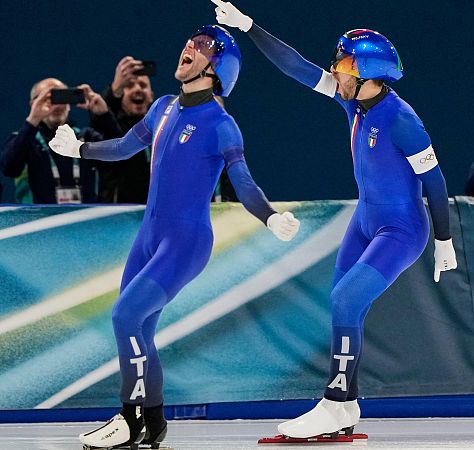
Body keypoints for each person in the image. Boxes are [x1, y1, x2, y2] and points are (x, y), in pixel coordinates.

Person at [212, 0, 458, 441]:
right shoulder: (355, 105)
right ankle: (347, 406)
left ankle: (334, 403)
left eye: (342, 64)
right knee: (344, 303)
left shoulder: (402, 119)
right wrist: (249, 26)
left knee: (346, 300)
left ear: (366, 71)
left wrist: (444, 240)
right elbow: (297, 68)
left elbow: (435, 182)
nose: (334, 71)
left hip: (402, 229)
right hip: (366, 220)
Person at [48, 25, 300, 450]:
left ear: (217, 69)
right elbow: (126, 146)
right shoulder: (163, 107)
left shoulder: (222, 125)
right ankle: (154, 422)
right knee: (139, 329)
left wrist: (270, 218)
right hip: (149, 237)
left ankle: (129, 418)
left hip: (185, 243)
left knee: (124, 317)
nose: (188, 47)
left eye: (201, 46)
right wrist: (79, 149)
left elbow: (244, 183)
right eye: (189, 41)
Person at [1, 79, 121, 204]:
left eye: (61, 97)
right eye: (49, 98)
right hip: (40, 221)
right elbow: (9, 168)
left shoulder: (86, 138)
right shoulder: (25, 141)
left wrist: (103, 115)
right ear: (33, 104)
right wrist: (33, 119)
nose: (57, 105)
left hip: (84, 220)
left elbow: (119, 158)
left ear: (69, 103)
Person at [91, 57, 155, 204]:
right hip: (119, 216)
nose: (138, 89)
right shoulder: (112, 127)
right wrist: (115, 89)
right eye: (130, 85)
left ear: (151, 96)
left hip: (154, 214)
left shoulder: (161, 129)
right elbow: (99, 117)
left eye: (143, 85)